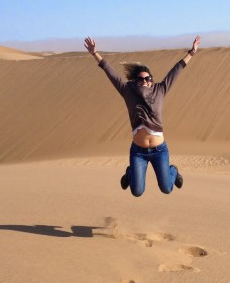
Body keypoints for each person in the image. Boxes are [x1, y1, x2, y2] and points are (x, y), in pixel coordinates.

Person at [84, 35, 201, 197]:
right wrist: (95, 54)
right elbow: (111, 73)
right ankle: (130, 172)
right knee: (137, 191)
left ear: (152, 80)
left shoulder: (160, 89)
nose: (145, 81)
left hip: (159, 150)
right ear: (135, 81)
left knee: (166, 188)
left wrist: (191, 53)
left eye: (148, 78)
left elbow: (176, 71)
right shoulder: (127, 91)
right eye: (141, 79)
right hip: (138, 152)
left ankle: (172, 170)